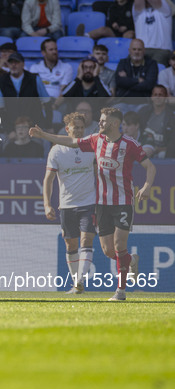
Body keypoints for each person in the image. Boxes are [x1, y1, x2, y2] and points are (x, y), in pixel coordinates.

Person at [30, 107, 157, 301]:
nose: (99, 123)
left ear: (114, 123)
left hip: (123, 202)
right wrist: (43, 135)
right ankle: (131, 260)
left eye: (103, 121)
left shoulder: (129, 144)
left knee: (118, 244)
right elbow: (71, 141)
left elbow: (150, 166)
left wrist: (147, 186)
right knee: (107, 250)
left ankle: (120, 292)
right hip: (102, 204)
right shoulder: (96, 140)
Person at [43, 112, 97, 294]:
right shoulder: (57, 150)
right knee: (71, 244)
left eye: (82, 127)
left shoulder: (91, 146)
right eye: (76, 128)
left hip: (89, 202)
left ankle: (80, 281)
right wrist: (47, 204)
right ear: (67, 129)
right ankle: (77, 285)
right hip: (66, 204)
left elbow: (99, 172)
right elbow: (48, 179)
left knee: (86, 239)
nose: (80, 130)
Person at [0, 52, 50, 129]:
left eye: (16, 62)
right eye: (11, 62)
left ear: (23, 64)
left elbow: (47, 103)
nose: (13, 65)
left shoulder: (34, 79)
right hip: (12, 126)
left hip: (35, 126)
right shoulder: (1, 81)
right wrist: (9, 130)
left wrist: (48, 126)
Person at [138, 84, 175, 158]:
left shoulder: (172, 116)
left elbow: (173, 140)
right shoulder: (143, 112)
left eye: (160, 95)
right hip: (145, 146)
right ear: (151, 97)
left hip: (163, 150)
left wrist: (164, 149)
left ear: (166, 97)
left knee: (162, 155)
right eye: (155, 94)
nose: (157, 97)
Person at [132, 0, 172, 66]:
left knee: (154, 69)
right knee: (127, 66)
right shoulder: (138, 12)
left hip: (161, 50)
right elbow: (138, 3)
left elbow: (156, 2)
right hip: (141, 50)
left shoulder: (165, 9)